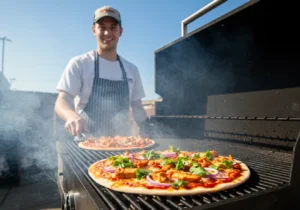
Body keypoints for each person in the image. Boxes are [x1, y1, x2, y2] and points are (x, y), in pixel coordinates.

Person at [55, 6, 149, 139]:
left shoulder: (131, 69)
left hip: (123, 147)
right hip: (87, 143)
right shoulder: (80, 63)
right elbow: (62, 100)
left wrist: (148, 128)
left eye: (112, 28)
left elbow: (137, 106)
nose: (107, 33)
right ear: (94, 30)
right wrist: (71, 115)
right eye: (102, 27)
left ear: (120, 31)